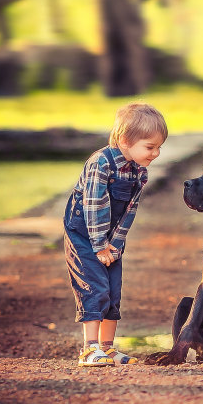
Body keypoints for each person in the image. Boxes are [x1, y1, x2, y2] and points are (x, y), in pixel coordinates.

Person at [64, 102, 168, 367]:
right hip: (84, 235)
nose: (155, 153)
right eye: (150, 147)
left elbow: (128, 212)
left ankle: (107, 348)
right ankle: (89, 348)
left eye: (159, 147)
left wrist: (115, 245)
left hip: (108, 240)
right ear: (124, 140)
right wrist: (99, 246)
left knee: (112, 290)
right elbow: (94, 206)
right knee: (94, 287)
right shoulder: (101, 163)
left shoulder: (138, 171)